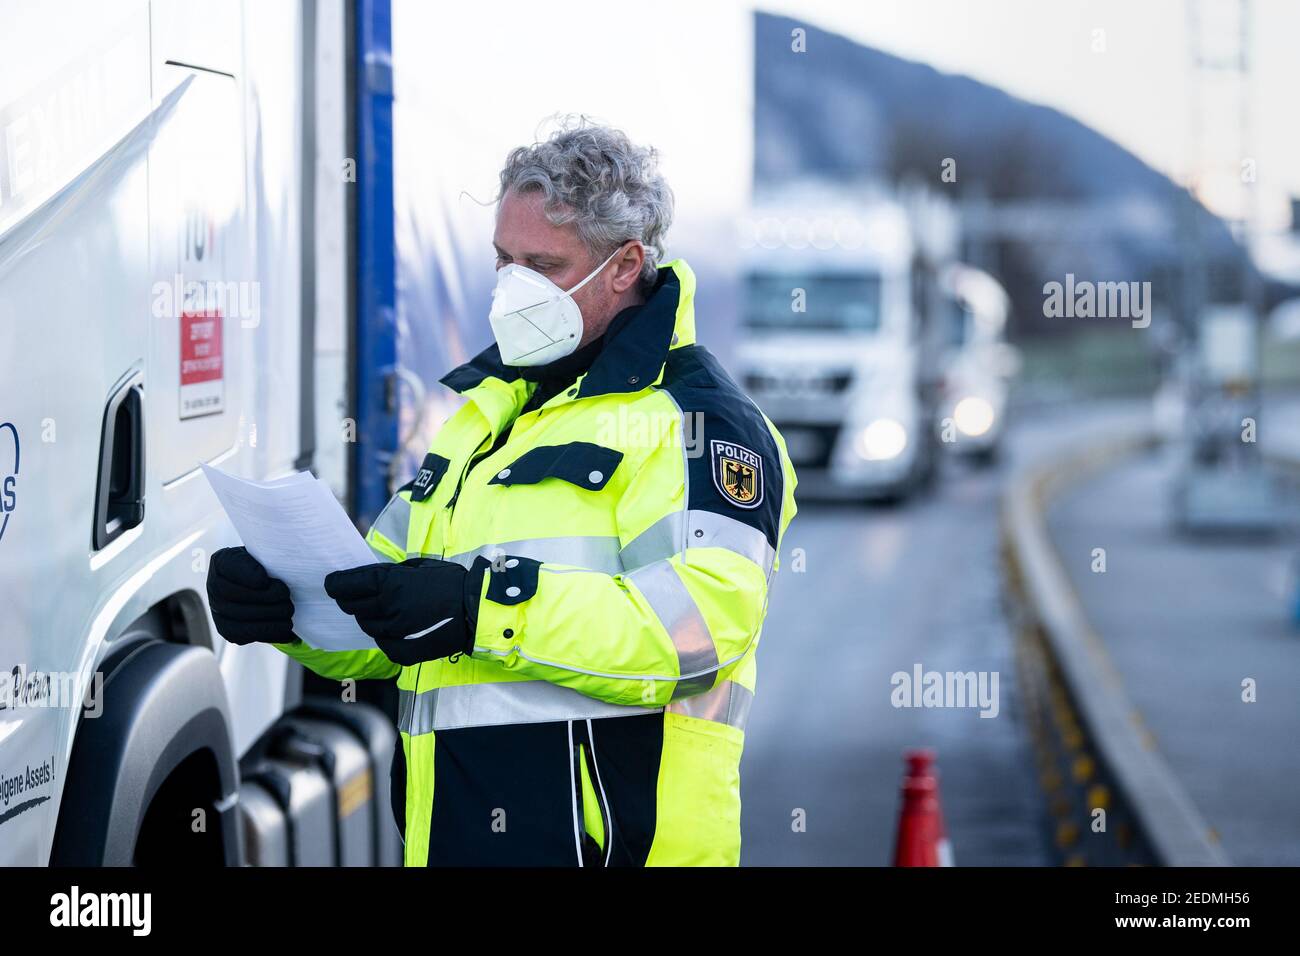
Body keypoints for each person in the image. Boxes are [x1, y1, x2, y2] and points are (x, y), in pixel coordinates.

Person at [206, 121, 797, 866]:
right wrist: (288, 610)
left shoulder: (698, 422)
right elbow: (394, 613)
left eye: (543, 264)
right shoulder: (484, 419)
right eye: (504, 260)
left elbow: (702, 629)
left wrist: (484, 606)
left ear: (626, 265)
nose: (514, 285)